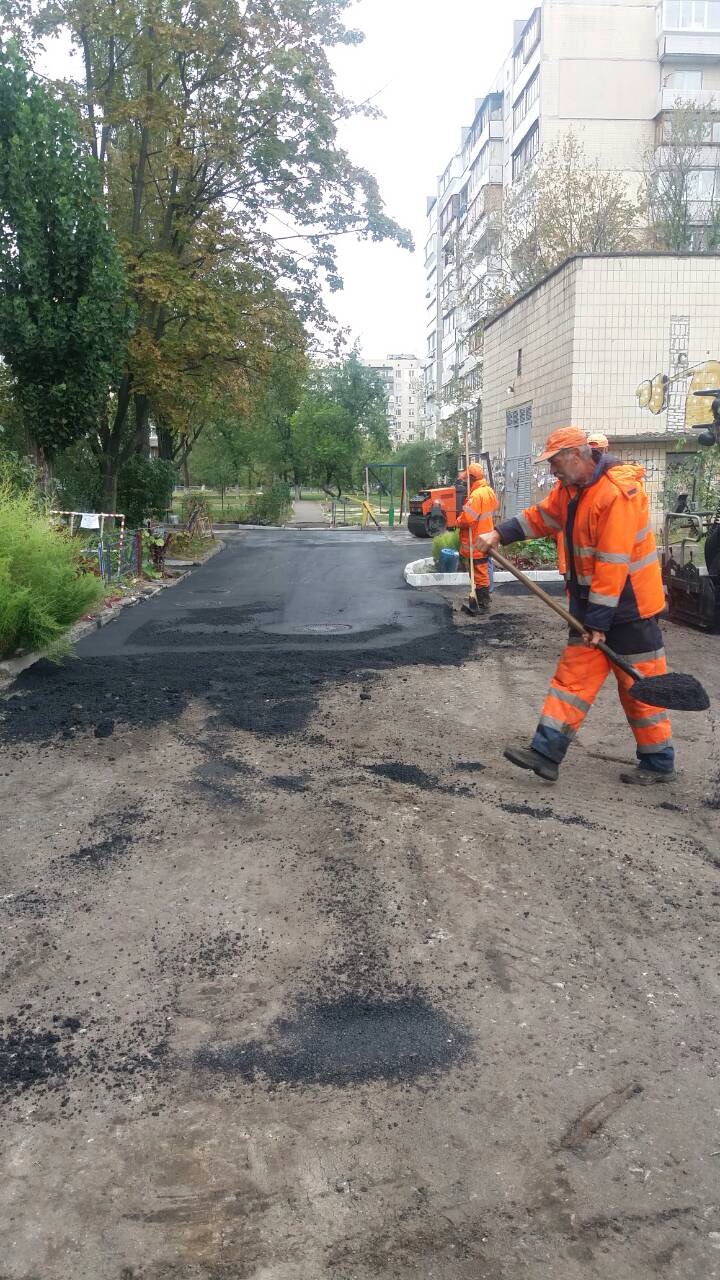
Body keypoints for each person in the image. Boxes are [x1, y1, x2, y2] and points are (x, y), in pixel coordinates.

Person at [477, 427, 674, 786]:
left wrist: (598, 623)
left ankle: (659, 761)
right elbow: (541, 517)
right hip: (592, 606)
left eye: (554, 462)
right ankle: (545, 754)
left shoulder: (616, 493)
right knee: (572, 679)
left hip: (631, 609)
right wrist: (499, 533)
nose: (552, 470)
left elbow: (612, 564)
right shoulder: (571, 490)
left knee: (639, 687)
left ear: (576, 456)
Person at [456, 462, 499, 613]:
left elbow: (468, 519)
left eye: (467, 478)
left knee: (479, 572)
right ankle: (482, 598)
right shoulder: (488, 491)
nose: (465, 481)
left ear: (472, 478)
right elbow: (494, 506)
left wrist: (458, 520)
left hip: (476, 540)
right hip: (486, 536)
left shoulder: (475, 495)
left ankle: (483, 603)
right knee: (484, 569)